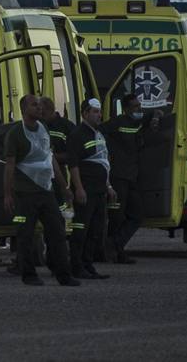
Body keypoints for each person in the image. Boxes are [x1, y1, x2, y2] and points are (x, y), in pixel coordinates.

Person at [3, 94, 80, 286]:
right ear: (23, 109)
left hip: (47, 191)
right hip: (25, 193)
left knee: (57, 232)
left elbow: (50, 158)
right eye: (34, 105)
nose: (39, 108)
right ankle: (28, 274)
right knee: (25, 235)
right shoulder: (15, 134)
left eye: (39, 105)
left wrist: (64, 187)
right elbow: (9, 166)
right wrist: (7, 194)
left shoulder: (44, 129)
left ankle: (63, 274)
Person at [101, 92, 155, 264]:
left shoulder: (138, 123)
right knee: (117, 216)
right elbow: (98, 131)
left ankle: (115, 245)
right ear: (125, 109)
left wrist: (157, 116)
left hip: (132, 177)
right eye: (135, 107)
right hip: (118, 177)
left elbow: (152, 116)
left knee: (136, 215)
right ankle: (113, 250)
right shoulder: (116, 123)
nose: (139, 109)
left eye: (140, 106)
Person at [67, 98, 117, 280]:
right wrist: (78, 188)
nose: (99, 115)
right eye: (94, 111)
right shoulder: (77, 134)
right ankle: (76, 266)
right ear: (85, 114)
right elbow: (73, 164)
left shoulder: (98, 134)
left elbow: (103, 161)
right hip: (86, 190)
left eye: (99, 111)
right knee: (81, 229)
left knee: (95, 230)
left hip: (99, 191)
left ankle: (88, 265)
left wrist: (108, 186)